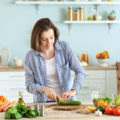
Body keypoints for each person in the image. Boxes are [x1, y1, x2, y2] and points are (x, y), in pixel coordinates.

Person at [24, 18, 86, 103]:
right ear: (37, 39)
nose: (49, 42)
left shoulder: (65, 48)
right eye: (44, 39)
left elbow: (80, 72)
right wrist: (44, 89)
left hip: (67, 101)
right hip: (43, 103)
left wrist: (74, 90)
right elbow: (29, 85)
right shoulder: (30, 57)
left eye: (51, 38)